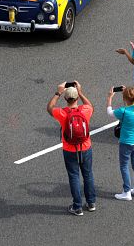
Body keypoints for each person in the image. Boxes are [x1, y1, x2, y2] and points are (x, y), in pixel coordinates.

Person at [46, 81, 96, 215]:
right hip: (86, 147)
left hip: (70, 150)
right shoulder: (85, 111)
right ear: (77, 98)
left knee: (74, 176)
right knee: (88, 175)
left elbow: (50, 107)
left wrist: (58, 92)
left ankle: (77, 206)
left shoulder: (62, 113)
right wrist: (80, 91)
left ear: (65, 98)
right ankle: (91, 203)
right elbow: (90, 105)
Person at [107, 86, 134, 200]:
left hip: (126, 142)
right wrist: (127, 92)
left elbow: (109, 112)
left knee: (124, 166)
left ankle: (126, 191)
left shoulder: (123, 111)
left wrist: (109, 97)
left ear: (125, 98)